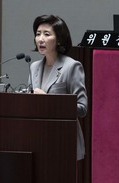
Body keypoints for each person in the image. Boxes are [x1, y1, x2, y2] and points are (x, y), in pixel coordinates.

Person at [28, 14, 88, 160]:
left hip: (63, 140)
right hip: (37, 140)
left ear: (59, 39)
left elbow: (82, 108)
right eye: (38, 34)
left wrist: (48, 100)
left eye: (47, 34)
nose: (40, 39)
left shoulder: (72, 66)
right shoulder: (34, 67)